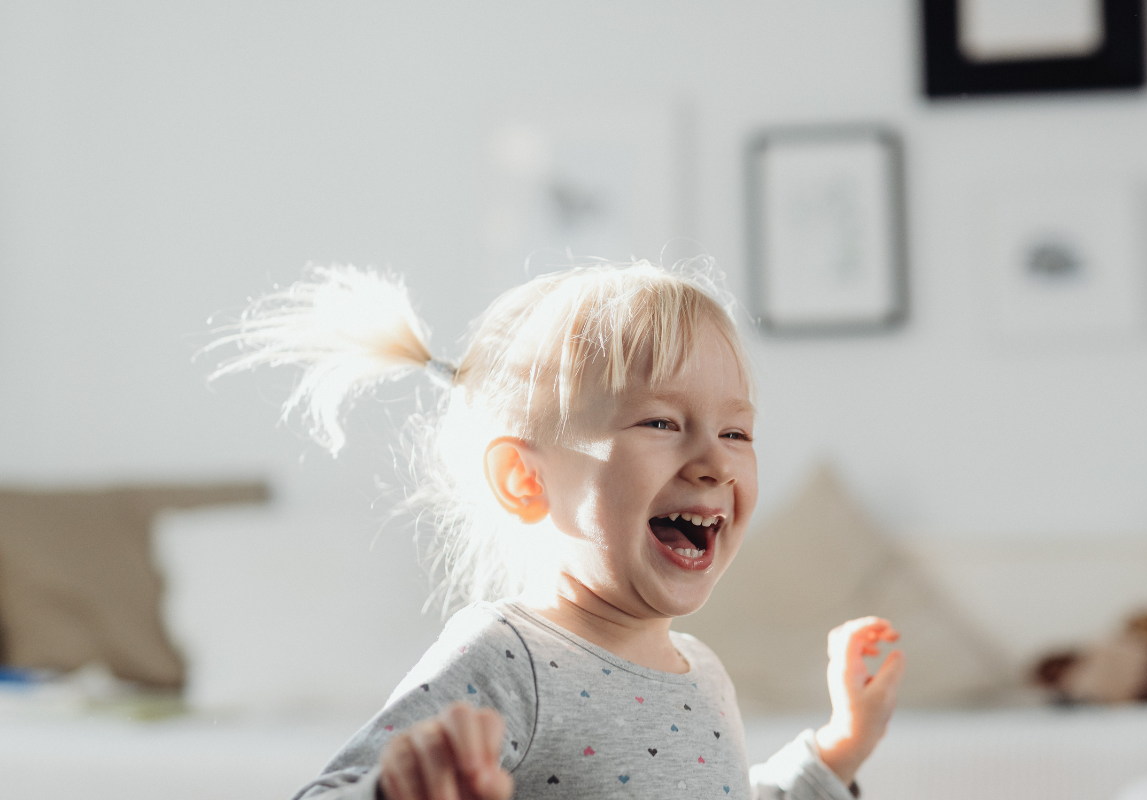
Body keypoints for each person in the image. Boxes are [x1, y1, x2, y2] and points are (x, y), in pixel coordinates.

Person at [213, 260, 905, 800]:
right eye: (661, 422)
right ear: (525, 479)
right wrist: (395, 790)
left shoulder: (703, 673)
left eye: (736, 432)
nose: (715, 461)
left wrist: (839, 748)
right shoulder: (510, 658)